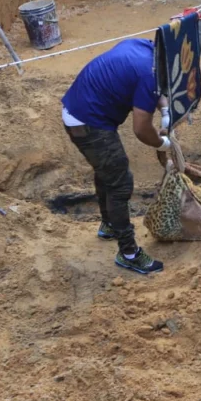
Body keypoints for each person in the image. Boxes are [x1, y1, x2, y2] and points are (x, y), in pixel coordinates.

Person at [62, 38, 171, 275]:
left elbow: (154, 87)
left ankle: (109, 225)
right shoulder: (149, 75)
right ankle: (128, 253)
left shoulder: (144, 47)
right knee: (120, 183)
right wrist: (163, 144)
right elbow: (141, 129)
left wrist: (164, 109)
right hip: (88, 122)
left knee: (107, 171)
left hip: (79, 110)